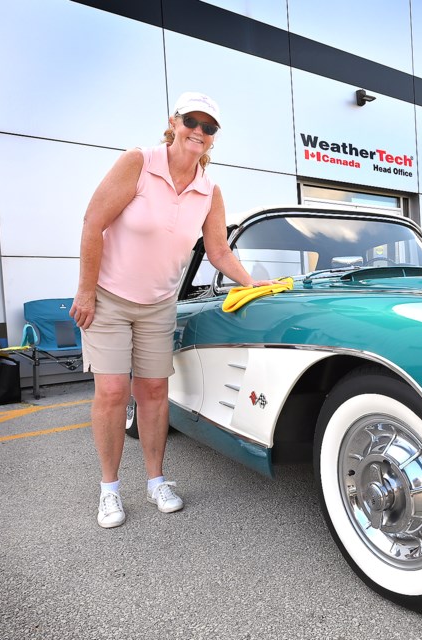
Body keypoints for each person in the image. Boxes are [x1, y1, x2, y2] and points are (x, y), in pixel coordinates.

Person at [71, 92, 275, 529]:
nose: (198, 132)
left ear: (214, 138)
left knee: (153, 393)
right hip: (108, 296)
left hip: (159, 304)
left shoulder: (209, 190)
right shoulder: (139, 162)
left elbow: (218, 250)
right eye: (192, 122)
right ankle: (109, 490)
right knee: (110, 393)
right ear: (174, 122)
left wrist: (253, 282)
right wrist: (85, 293)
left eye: (209, 127)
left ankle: (156, 480)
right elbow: (93, 222)